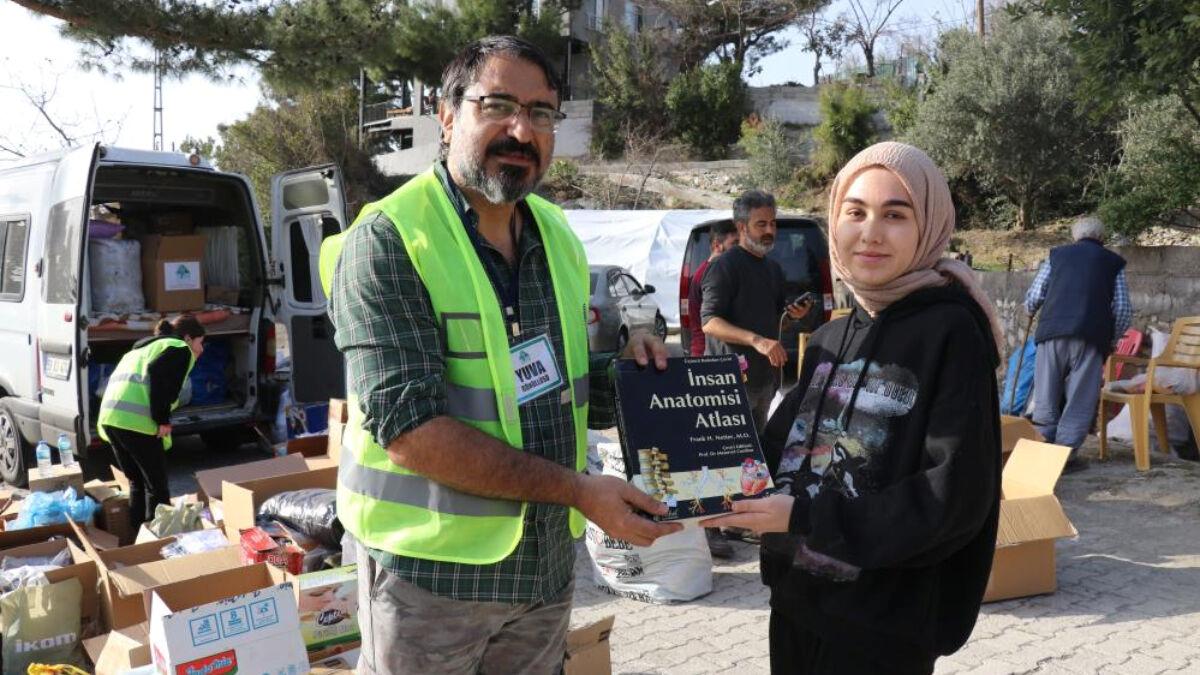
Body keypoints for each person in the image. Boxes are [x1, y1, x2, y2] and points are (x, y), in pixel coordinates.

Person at [320, 36, 680, 675]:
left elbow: (551, 387)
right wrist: (577, 491)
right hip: (431, 585)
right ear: (448, 113)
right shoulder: (389, 239)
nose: (522, 129)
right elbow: (409, 431)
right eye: (500, 105)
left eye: (542, 113)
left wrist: (635, 376)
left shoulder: (557, 235)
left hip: (542, 574)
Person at [702, 142, 1004, 674]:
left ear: (928, 225)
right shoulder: (828, 338)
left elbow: (953, 497)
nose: (871, 232)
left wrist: (801, 515)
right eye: (855, 212)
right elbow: (772, 451)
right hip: (796, 606)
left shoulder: (951, 333)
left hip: (881, 626)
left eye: (895, 214)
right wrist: (684, 450)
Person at [1024, 216, 1131, 468]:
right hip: (1091, 337)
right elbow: (1124, 310)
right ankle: (1065, 457)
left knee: (1045, 394)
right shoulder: (1112, 263)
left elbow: (1035, 295)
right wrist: (1112, 339)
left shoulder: (1057, 255)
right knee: (1080, 398)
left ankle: (1043, 450)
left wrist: (1030, 308)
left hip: (1052, 332)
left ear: (1075, 236)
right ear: (1102, 238)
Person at [701, 190, 811, 432]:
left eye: (772, 223)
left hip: (766, 381)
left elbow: (771, 322)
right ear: (741, 227)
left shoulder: (772, 268)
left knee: (757, 457)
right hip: (730, 384)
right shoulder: (724, 266)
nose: (769, 231)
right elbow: (709, 322)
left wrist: (792, 316)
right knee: (731, 457)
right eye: (761, 224)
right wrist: (757, 341)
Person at [97, 315, 206, 533]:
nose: (201, 349)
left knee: (137, 483)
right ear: (187, 338)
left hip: (112, 419)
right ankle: (159, 540)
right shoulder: (179, 348)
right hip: (136, 422)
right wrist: (162, 420)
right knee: (157, 486)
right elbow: (157, 376)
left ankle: (138, 538)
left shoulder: (140, 349)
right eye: (200, 342)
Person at [688, 221, 739, 358]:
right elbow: (709, 322)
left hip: (715, 352)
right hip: (708, 355)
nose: (740, 249)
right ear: (717, 245)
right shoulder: (712, 274)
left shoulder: (720, 271)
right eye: (735, 243)